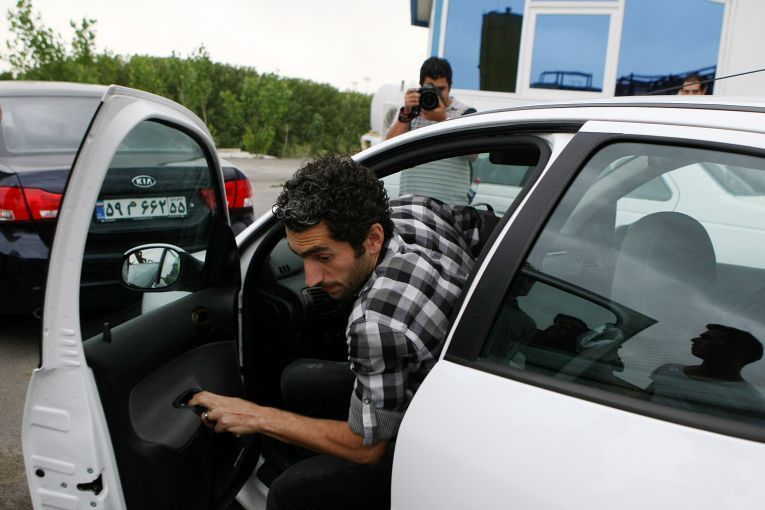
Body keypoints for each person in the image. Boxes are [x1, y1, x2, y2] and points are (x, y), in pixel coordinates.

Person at [190, 155, 484, 509]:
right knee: (297, 379)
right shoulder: (416, 210)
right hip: (456, 371)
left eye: (323, 257)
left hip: (439, 430)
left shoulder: (375, 322)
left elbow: (366, 448)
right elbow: (481, 227)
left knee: (289, 492)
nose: (311, 279)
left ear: (373, 238)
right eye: (301, 256)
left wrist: (256, 416)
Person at [386, 57, 477, 205]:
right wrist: (407, 114)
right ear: (421, 86)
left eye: (440, 89)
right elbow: (389, 147)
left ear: (450, 86)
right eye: (430, 88)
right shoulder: (410, 110)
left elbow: (473, 154)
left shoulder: (466, 113)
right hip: (410, 204)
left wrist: (444, 120)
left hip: (451, 207)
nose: (436, 94)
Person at [648, 323, 765, 421]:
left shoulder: (751, 401)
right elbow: (644, 398)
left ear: (734, 352)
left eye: (707, 338)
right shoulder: (668, 370)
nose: (694, 339)